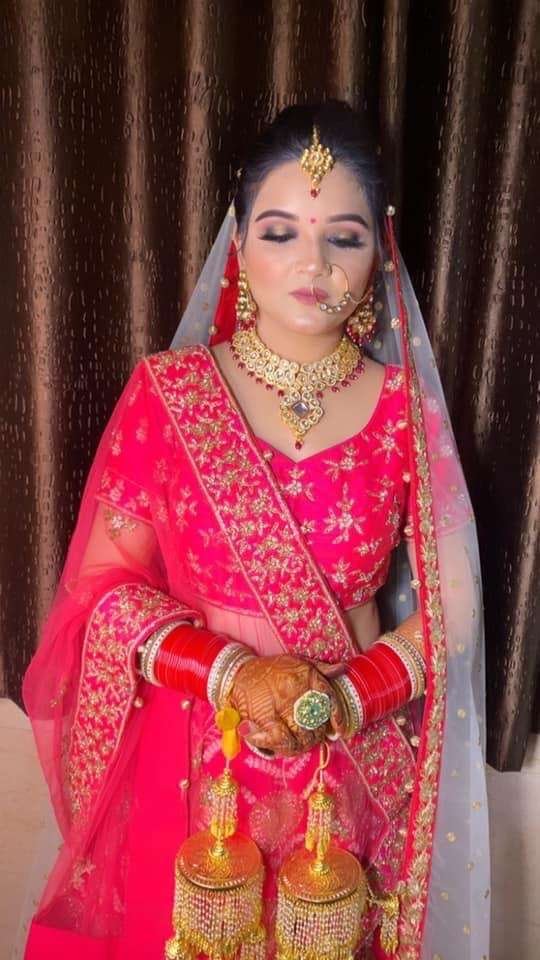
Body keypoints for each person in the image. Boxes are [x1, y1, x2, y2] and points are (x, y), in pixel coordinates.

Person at [22, 101, 490, 960]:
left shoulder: (406, 414)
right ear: (238, 243)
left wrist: (343, 698)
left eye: (344, 237)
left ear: (380, 254)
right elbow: (102, 595)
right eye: (280, 232)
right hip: (190, 757)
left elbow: (454, 612)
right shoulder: (171, 395)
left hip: (345, 764)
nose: (313, 263)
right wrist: (231, 671)